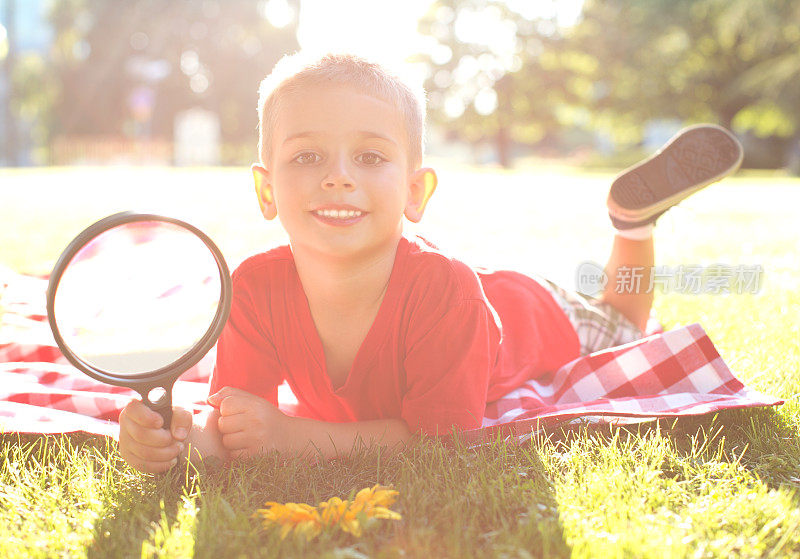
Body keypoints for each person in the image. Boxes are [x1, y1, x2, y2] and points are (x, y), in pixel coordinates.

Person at [118, 52, 743, 473]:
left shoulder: (447, 295)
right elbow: (233, 424)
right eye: (308, 158)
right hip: (460, 296)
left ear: (415, 192)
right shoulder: (252, 288)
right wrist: (170, 435)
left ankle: (631, 224)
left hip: (528, 311)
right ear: (265, 189)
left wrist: (293, 439)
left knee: (625, 321)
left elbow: (443, 444)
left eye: (370, 158)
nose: (338, 178)